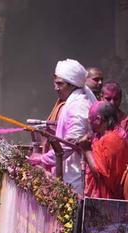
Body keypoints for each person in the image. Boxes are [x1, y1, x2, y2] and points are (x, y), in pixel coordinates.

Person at [32, 59, 95, 191]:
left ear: (72, 84)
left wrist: (42, 158)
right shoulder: (72, 102)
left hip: (76, 176)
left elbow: (67, 146)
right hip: (67, 172)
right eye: (55, 83)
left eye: (60, 84)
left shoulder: (79, 105)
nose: (56, 88)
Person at [81, 100, 128, 199]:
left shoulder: (111, 139)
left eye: (90, 118)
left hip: (106, 200)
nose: (88, 122)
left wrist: (86, 150)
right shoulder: (100, 136)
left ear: (98, 119)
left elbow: (99, 174)